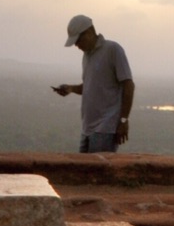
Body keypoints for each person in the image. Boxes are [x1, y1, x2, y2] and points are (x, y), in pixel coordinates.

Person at [51, 14, 135, 153]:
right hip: (87, 129)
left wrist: (123, 121)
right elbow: (90, 87)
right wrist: (70, 89)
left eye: (78, 41)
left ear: (89, 33)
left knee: (98, 172)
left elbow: (128, 85)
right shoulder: (87, 56)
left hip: (105, 129)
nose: (77, 45)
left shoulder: (112, 50)